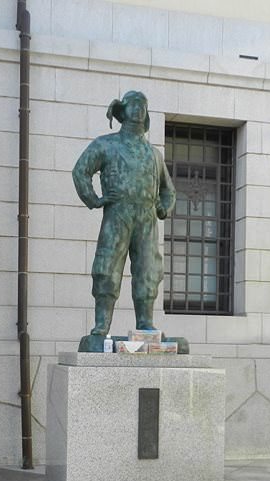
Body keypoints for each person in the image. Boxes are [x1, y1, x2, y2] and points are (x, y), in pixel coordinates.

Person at [72, 90, 176, 351]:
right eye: (133, 104)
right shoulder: (106, 144)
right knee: (107, 267)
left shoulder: (153, 154)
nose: (138, 109)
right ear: (123, 110)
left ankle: (145, 324)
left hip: (146, 218)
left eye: (143, 105)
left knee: (148, 270)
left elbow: (169, 190)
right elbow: (81, 171)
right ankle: (101, 326)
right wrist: (94, 199)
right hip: (117, 214)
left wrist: (163, 207)